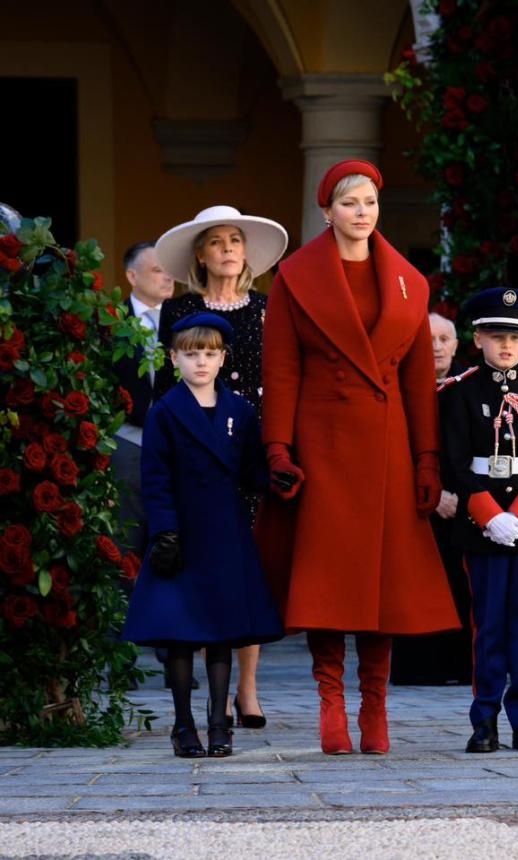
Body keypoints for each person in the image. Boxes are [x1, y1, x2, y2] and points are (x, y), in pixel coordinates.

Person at [257, 159, 460, 756]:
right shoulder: (294, 278)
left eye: (369, 201)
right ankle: (330, 701)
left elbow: (420, 382)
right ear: (327, 211)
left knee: (385, 584)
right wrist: (278, 448)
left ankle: (375, 705)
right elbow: (283, 371)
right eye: (349, 203)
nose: (361, 212)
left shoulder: (409, 281)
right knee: (329, 579)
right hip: (323, 443)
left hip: (389, 445)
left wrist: (428, 459)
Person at [120, 313, 284, 758]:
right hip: (180, 531)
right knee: (179, 633)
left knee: (221, 632)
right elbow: (155, 477)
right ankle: (183, 724)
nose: (201, 362)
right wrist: (165, 531)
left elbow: (251, 469)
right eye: (191, 354)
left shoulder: (239, 409)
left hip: (225, 531)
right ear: (174, 358)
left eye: (210, 354)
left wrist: (276, 478)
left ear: (223, 357)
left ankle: (218, 725)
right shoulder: (167, 410)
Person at [154, 205, 287, 730]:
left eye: (236, 240)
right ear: (201, 255)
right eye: (217, 241)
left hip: (248, 447)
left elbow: (280, 380)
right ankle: (206, 697)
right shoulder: (179, 310)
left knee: (246, 568)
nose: (229, 248)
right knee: (199, 566)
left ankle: (246, 690)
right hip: (194, 447)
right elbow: (166, 385)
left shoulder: (267, 308)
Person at [439, 287, 518, 754]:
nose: (506, 345)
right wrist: (490, 516)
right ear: (478, 339)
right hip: (481, 525)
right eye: (497, 335)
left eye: (515, 336)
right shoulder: (459, 391)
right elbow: (455, 463)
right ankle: (484, 718)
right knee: (487, 623)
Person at [390, 311, 473, 687]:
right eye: (429, 339)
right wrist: (431, 493)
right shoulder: (398, 387)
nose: (437, 347)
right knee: (418, 586)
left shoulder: (473, 386)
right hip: (416, 503)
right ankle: (422, 668)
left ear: (456, 345)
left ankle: (463, 666)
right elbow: (389, 448)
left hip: (467, 505)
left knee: (464, 587)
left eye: (444, 339)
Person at [111, 241, 175, 688]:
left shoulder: (183, 322)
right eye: (156, 271)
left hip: (174, 449)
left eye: (169, 270)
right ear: (132, 277)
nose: (166, 277)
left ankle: (175, 656)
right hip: (129, 444)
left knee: (171, 545)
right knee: (124, 547)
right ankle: (120, 660)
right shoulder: (110, 323)